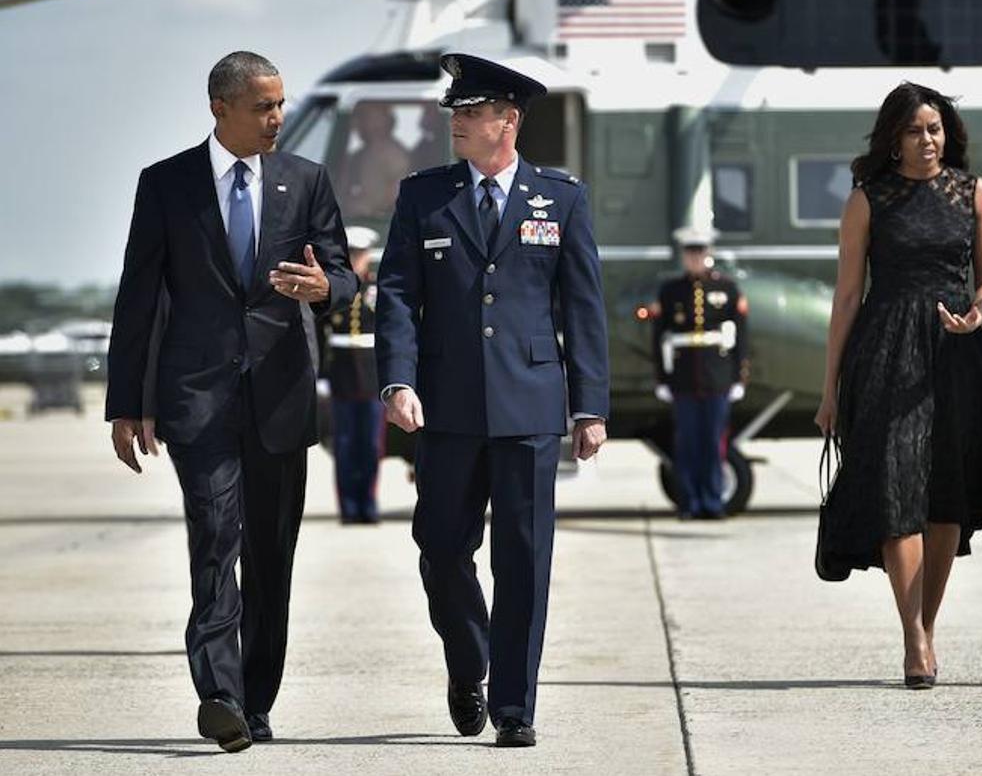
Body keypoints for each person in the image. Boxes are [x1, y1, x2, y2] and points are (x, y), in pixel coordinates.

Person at [105, 51, 357, 751]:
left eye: (281, 104)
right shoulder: (166, 185)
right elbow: (139, 294)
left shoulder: (305, 180)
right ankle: (218, 694)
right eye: (264, 106)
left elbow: (340, 271)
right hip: (198, 398)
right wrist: (127, 401)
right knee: (216, 540)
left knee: (272, 555)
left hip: (280, 396)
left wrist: (326, 289)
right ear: (220, 108)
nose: (278, 118)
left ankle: (255, 698)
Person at [376, 52, 609, 748]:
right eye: (455, 113)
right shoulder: (424, 196)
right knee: (440, 549)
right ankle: (468, 658)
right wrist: (398, 379)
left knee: (524, 560)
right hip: (444, 408)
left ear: (507, 122)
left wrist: (588, 407)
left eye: (472, 113)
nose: (457, 123)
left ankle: (514, 706)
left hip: (532, 408)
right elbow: (395, 293)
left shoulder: (560, 197)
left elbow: (584, 305)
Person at [813, 82, 982, 689]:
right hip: (885, 349)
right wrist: (830, 389)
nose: (928, 140)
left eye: (935, 128)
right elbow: (847, 295)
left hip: (955, 350)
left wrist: (979, 311)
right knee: (897, 491)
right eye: (914, 130)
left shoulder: (974, 192)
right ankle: (914, 638)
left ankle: (926, 622)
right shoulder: (867, 199)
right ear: (893, 138)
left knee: (947, 498)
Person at [652, 225, 750, 519]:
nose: (695, 257)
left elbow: (740, 335)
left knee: (713, 443)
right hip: (683, 377)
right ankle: (690, 502)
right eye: (690, 252)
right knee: (687, 445)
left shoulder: (727, 289)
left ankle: (712, 501)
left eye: (700, 251)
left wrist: (738, 375)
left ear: (709, 253)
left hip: (717, 376)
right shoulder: (671, 291)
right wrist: (662, 377)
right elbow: (659, 335)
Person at [323, 225, 384, 524]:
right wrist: (322, 376)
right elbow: (324, 334)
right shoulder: (336, 289)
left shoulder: (377, 288)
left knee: (371, 445)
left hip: (372, 376)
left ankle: (368, 504)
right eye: (352, 255)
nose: (357, 260)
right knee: (345, 445)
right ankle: (348, 507)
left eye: (361, 255)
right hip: (342, 375)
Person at [336, 102, 410, 219]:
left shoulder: (393, 153)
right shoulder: (359, 155)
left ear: (384, 121)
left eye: (365, 117)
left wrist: (371, 209)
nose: (358, 123)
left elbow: (399, 190)